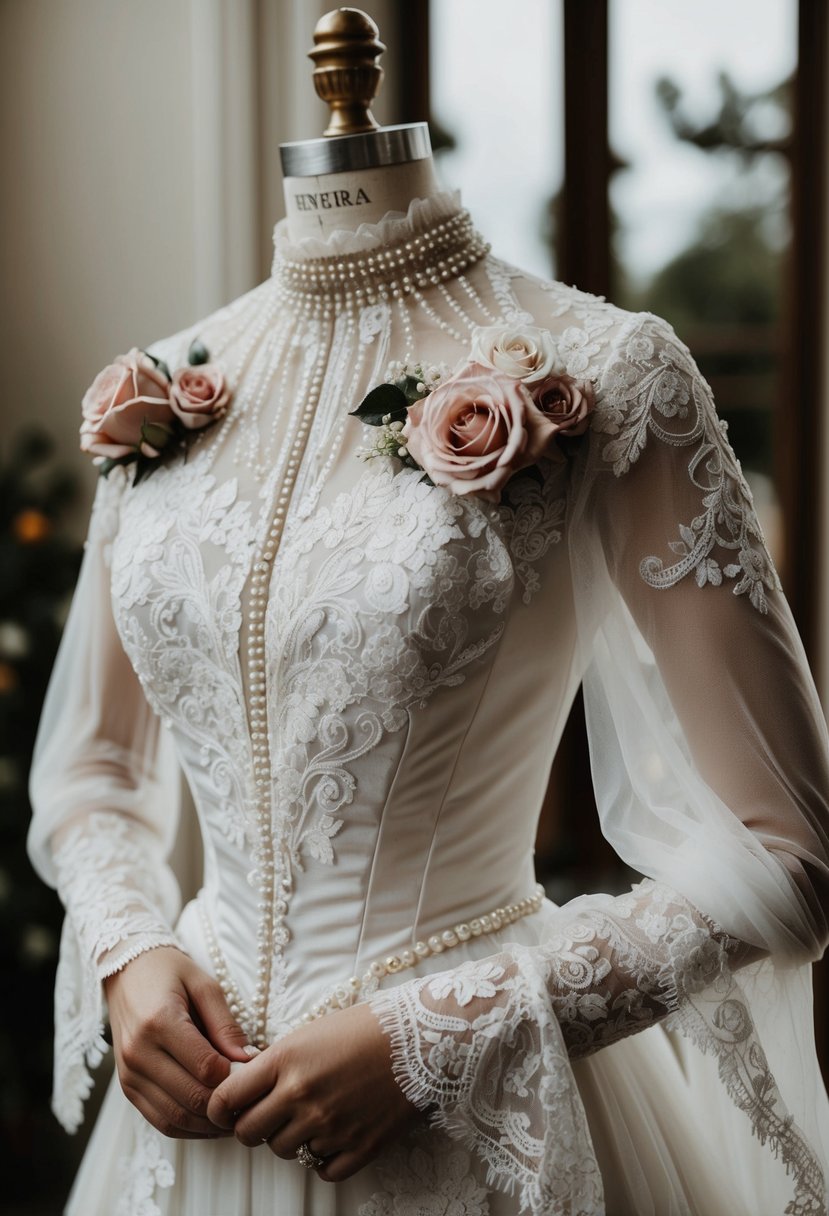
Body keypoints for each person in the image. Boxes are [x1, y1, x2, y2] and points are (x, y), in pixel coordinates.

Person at [28, 184, 829, 1215]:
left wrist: (444, 1033)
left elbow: (789, 844)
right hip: (198, 1123)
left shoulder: (611, 367)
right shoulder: (162, 392)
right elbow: (91, 766)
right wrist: (129, 951)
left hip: (480, 1130)